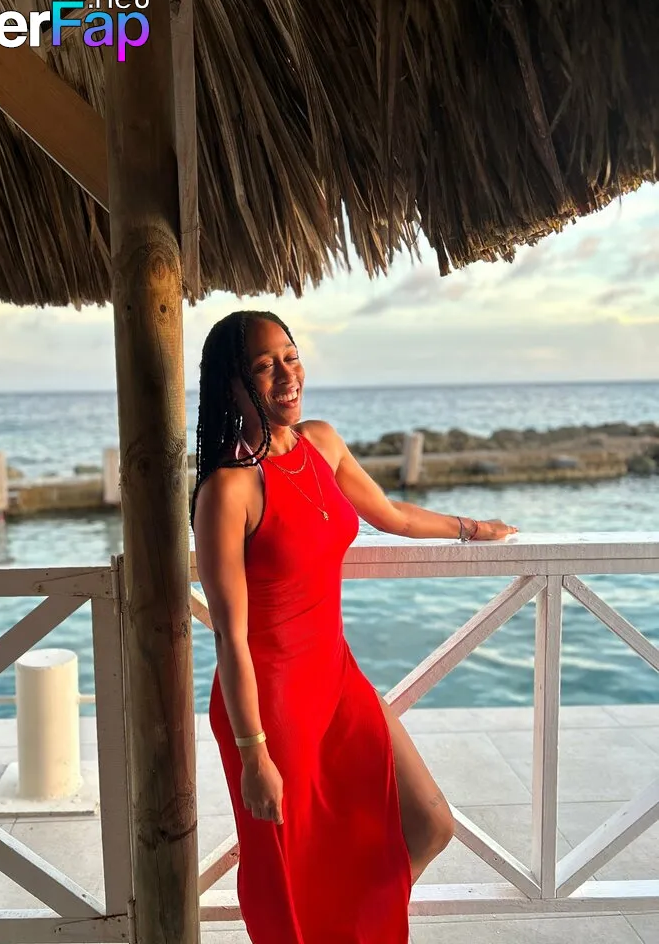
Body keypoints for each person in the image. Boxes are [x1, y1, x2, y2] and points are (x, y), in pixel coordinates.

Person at [191, 310, 518, 944]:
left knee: (429, 824)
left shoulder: (321, 442)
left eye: (290, 356)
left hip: (337, 679)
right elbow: (231, 637)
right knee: (293, 876)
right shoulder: (228, 491)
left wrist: (475, 529)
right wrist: (254, 754)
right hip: (272, 705)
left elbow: (391, 514)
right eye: (264, 366)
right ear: (232, 386)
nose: (287, 375)